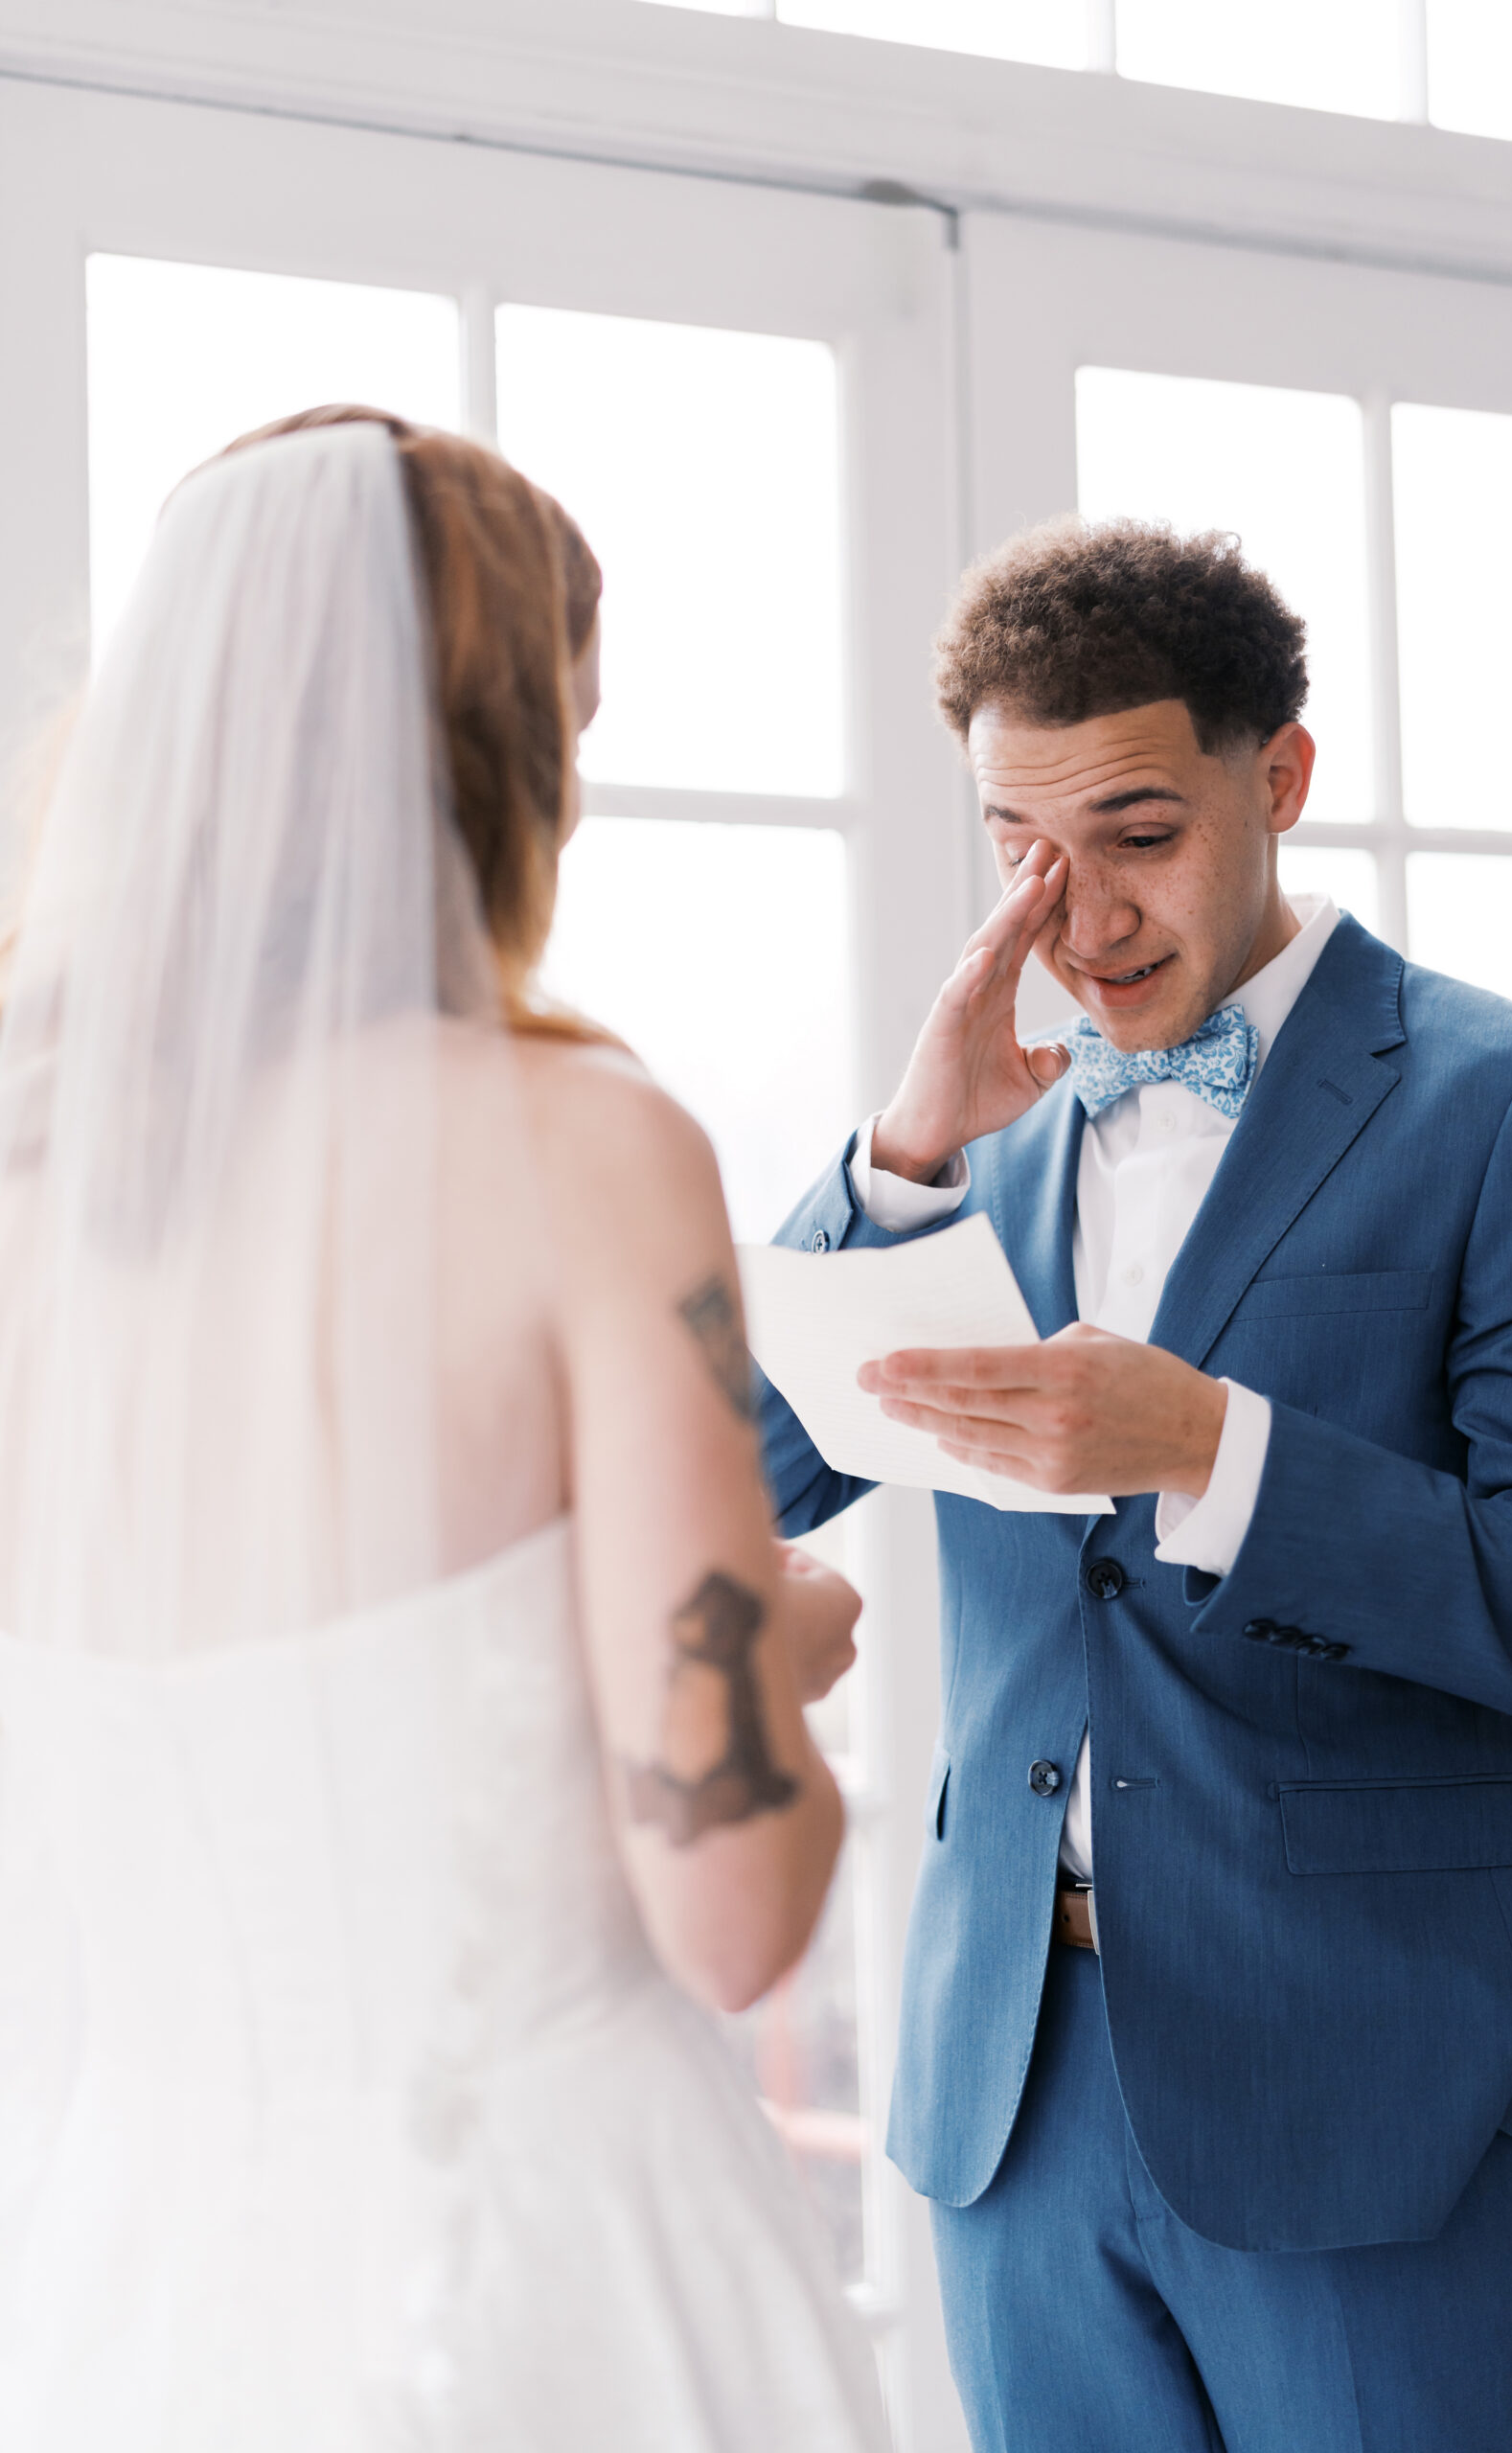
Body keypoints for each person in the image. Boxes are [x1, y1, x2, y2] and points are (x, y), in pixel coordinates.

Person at [0, 406, 887, 2451]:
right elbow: (731, 1903)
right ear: (499, 760)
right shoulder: (581, 1147)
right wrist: (778, 1633)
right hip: (543, 2258)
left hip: (130, 2268)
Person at [759, 516, 1512, 2452]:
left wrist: (1209, 1452)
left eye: (1138, 834)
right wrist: (899, 1150)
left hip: (1365, 2083)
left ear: (1280, 779)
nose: (1076, 919)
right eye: (1018, 850)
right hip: (1012, 2085)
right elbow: (748, 1466)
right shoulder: (965, 1125)